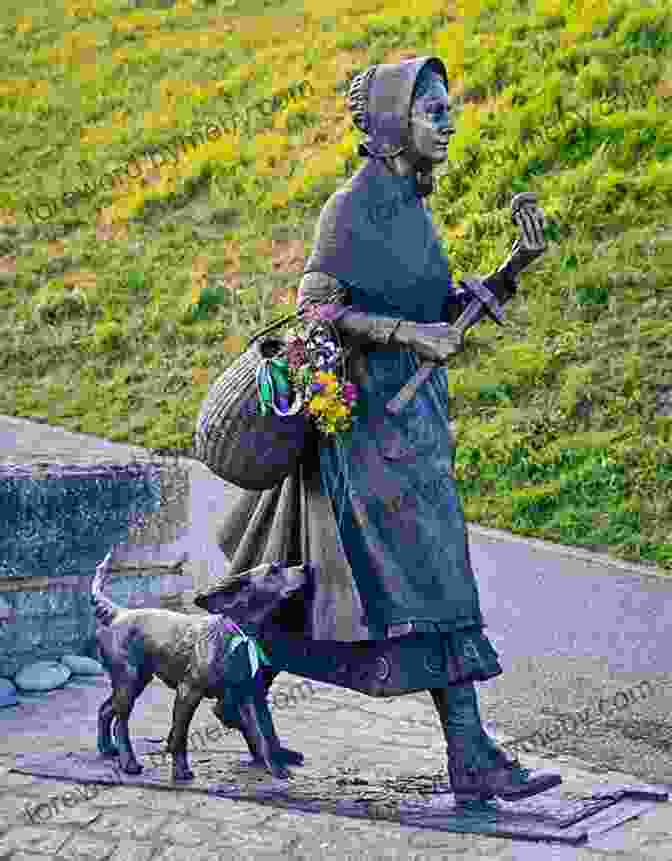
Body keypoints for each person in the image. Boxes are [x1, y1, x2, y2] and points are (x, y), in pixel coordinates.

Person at [196, 56, 561, 802]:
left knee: (383, 588)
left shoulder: (412, 206)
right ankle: (472, 755)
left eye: (450, 106)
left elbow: (441, 303)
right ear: (395, 122)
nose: (449, 120)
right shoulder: (351, 207)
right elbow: (317, 310)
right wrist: (409, 335)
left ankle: (461, 750)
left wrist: (513, 265)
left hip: (416, 431)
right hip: (367, 437)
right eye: (433, 109)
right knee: (422, 582)